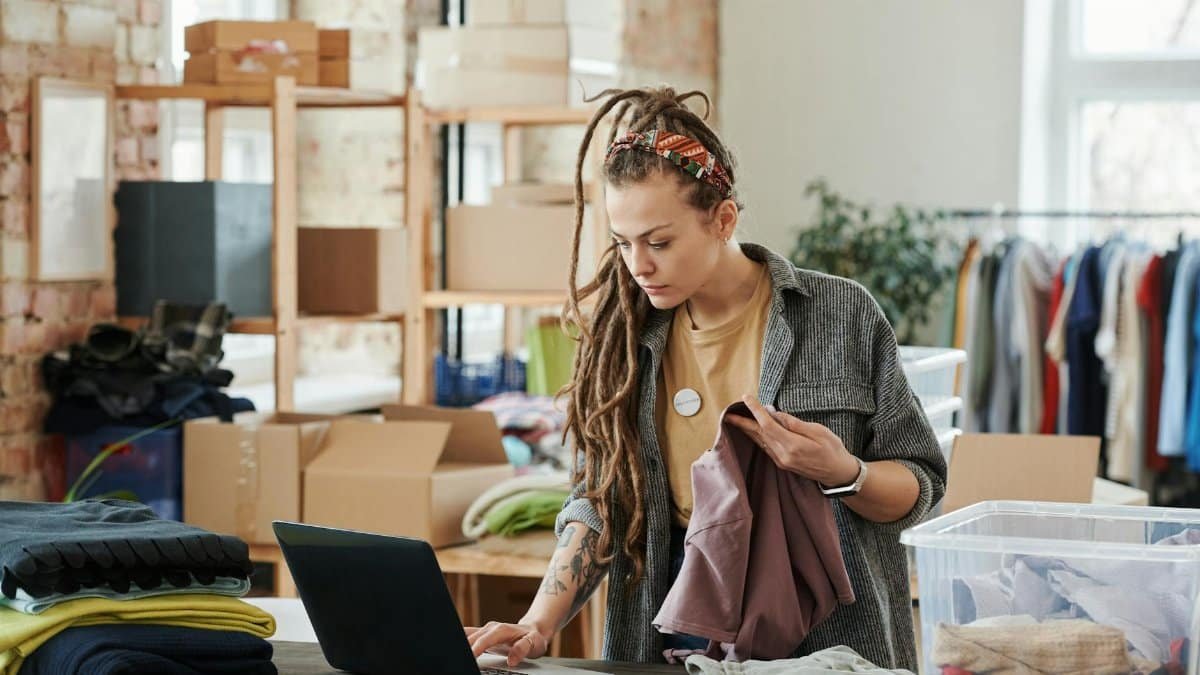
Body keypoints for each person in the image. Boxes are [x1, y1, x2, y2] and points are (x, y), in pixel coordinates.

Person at [465, 86, 946, 671]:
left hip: (828, 645)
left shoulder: (840, 313)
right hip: (674, 630)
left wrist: (844, 473)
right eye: (623, 243)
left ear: (723, 219)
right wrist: (537, 624)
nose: (639, 264)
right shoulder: (621, 339)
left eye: (660, 242)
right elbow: (599, 501)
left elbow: (921, 487)